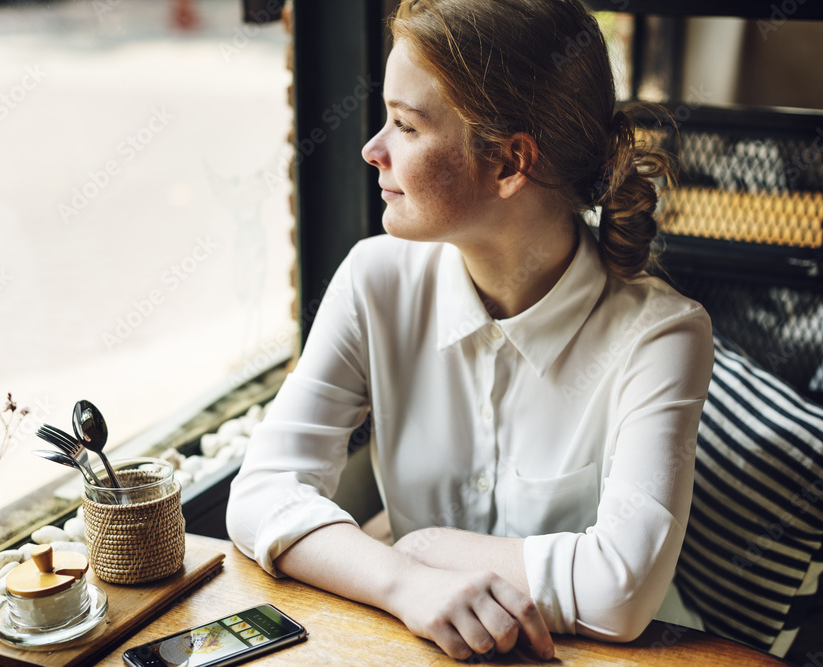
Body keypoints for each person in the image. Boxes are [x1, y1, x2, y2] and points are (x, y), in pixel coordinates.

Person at [226, 0, 714, 661]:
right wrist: (406, 583)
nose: (373, 150)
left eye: (405, 126)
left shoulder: (662, 337)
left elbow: (620, 593)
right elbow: (259, 492)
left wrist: (421, 546)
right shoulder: (375, 279)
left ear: (511, 163)